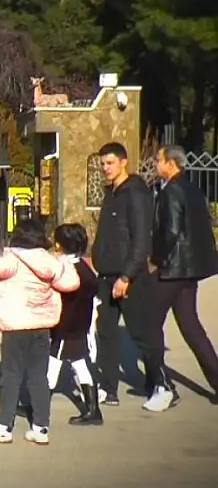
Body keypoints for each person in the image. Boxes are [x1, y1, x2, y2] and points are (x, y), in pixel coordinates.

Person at [0, 219, 79, 445]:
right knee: (38, 377)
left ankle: (3, 426)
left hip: (15, 327)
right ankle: (41, 428)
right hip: (41, 328)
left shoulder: (12, 259)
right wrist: (64, 261)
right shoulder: (51, 262)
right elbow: (71, 284)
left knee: (11, 377)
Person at [90, 141, 169, 410]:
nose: (105, 168)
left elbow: (141, 240)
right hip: (107, 276)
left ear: (124, 162)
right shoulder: (112, 192)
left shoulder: (135, 192)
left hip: (129, 277)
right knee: (107, 333)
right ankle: (109, 388)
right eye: (102, 164)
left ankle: (161, 385)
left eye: (110, 163)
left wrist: (127, 276)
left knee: (142, 333)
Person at [149, 144, 218, 403]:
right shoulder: (193, 189)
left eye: (159, 160)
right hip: (189, 270)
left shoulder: (172, 191)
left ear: (171, 163)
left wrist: (156, 260)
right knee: (191, 328)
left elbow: (171, 231)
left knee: (148, 325)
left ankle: (161, 384)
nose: (156, 164)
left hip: (172, 270)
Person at [47, 223, 102, 426]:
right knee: (80, 365)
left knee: (52, 366)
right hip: (80, 326)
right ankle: (93, 409)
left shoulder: (67, 270)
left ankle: (38, 406)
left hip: (65, 327)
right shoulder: (84, 269)